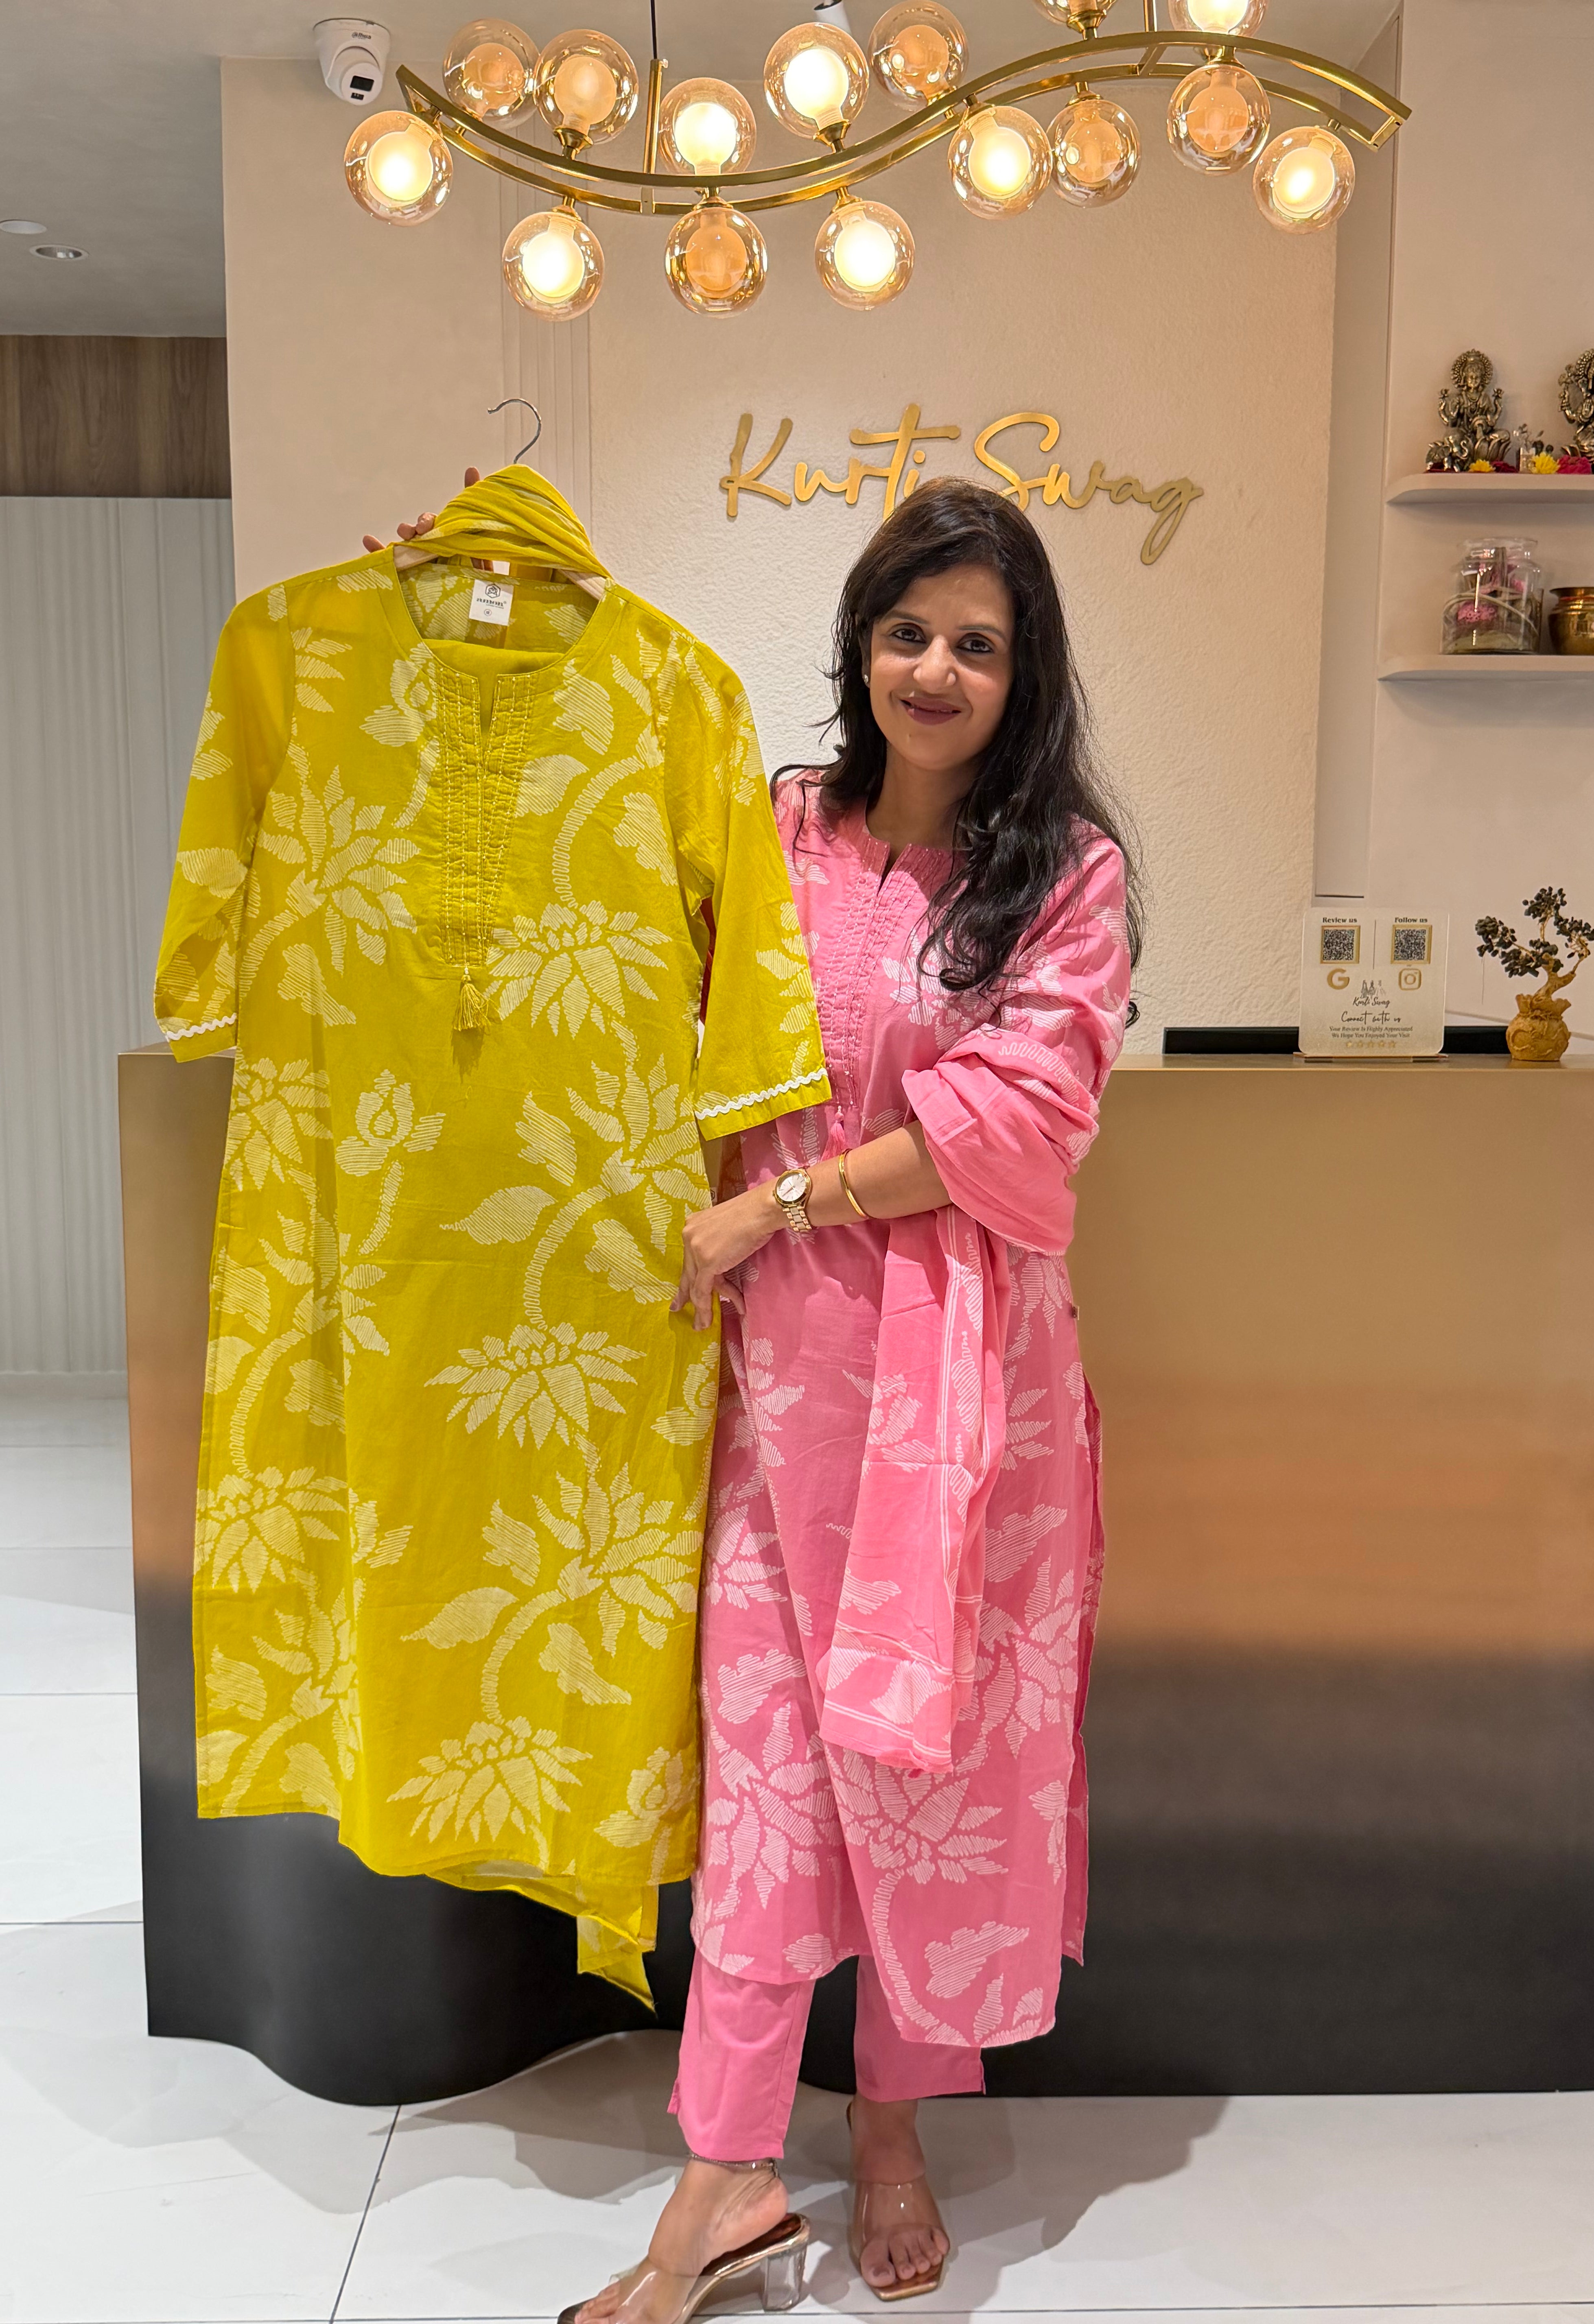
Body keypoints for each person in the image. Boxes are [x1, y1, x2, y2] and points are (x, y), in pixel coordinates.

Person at [371, 477, 1137, 2323]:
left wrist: (778, 1206)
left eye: (976, 643)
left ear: (1023, 672)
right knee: (772, 1769)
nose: (935, 669)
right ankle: (721, 2175)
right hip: (768, 1380)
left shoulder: (1066, 872)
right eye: (907, 631)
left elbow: (1026, 1120)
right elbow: (590, 899)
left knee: (924, 1760)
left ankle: (891, 2124)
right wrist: (455, 632)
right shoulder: (774, 821)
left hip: (962, 1397)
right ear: (857, 645)